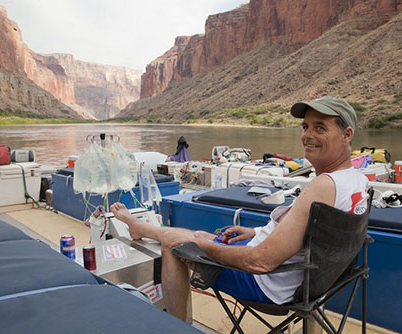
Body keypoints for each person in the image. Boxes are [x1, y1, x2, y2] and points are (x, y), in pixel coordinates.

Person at [110, 96, 370, 321]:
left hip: (268, 283)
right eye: (305, 126)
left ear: (347, 134)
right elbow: (309, 232)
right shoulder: (357, 181)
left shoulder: (323, 186)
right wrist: (256, 231)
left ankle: (176, 324)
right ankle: (140, 228)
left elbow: (260, 261)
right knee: (193, 235)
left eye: (320, 128)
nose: (307, 135)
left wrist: (204, 246)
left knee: (176, 243)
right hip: (304, 278)